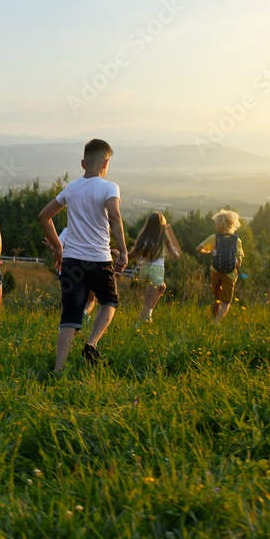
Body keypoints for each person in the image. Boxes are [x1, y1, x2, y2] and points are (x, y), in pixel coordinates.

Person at [39, 139, 127, 373]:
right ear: (106, 162)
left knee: (69, 317)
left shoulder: (71, 188)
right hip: (100, 260)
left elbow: (44, 217)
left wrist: (58, 247)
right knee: (109, 301)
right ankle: (92, 343)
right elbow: (115, 218)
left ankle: (58, 371)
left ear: (82, 163)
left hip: (71, 263)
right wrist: (123, 251)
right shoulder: (110, 187)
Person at [127, 211, 181, 326]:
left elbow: (134, 254)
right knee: (147, 300)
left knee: (162, 288)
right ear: (162, 224)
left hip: (145, 269)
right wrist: (175, 251)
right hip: (156, 270)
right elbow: (176, 256)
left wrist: (122, 254)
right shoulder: (164, 236)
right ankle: (138, 325)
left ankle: (148, 315)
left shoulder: (143, 236)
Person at [196, 209, 244, 324]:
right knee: (226, 301)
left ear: (221, 225)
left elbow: (198, 248)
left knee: (217, 298)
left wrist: (208, 252)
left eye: (216, 224)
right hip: (230, 274)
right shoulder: (237, 240)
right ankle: (217, 321)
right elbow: (239, 262)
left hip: (215, 271)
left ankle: (212, 318)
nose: (215, 226)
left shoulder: (214, 238)